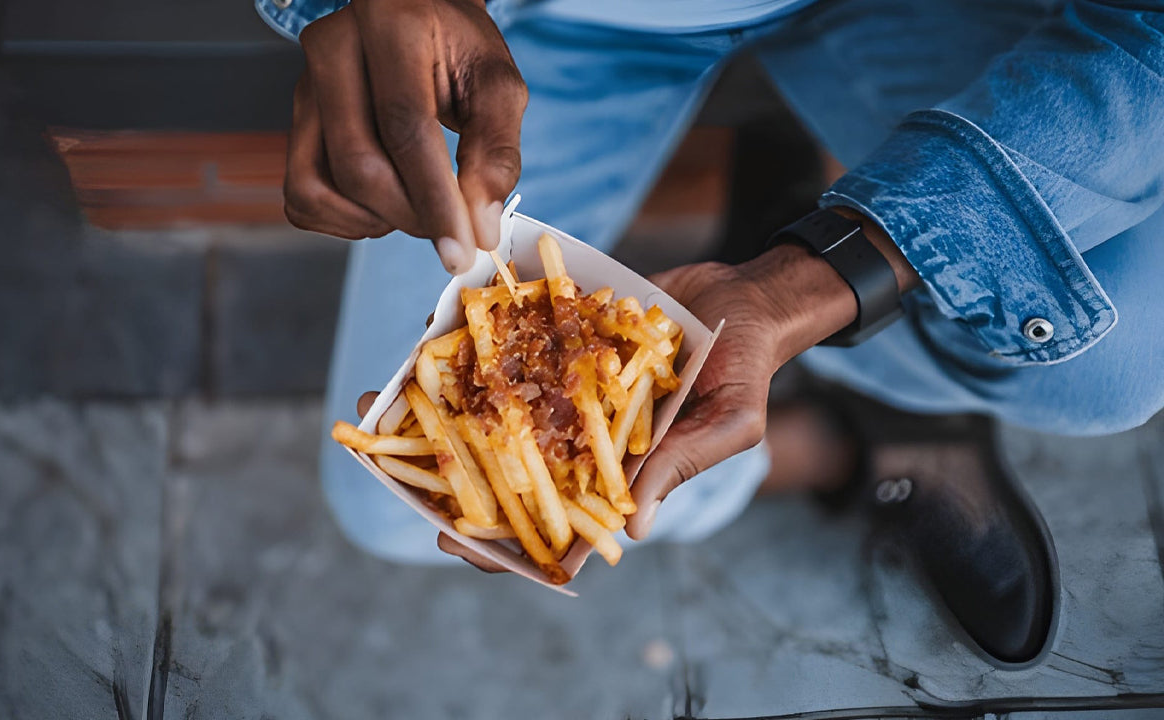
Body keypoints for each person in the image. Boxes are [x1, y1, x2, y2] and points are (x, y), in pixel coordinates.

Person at [256, 0, 1164, 664]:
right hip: (550, 24)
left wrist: (814, 278)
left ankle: (828, 299)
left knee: (1116, 368)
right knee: (389, 506)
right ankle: (837, 441)